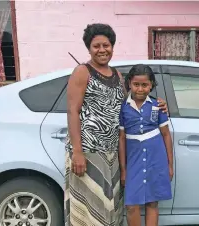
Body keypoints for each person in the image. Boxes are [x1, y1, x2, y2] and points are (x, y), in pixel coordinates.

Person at [64, 24, 168, 226]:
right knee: (89, 207)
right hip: (89, 151)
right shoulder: (82, 72)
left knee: (109, 207)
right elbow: (72, 111)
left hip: (112, 153)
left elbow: (134, 103)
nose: (102, 50)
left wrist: (159, 103)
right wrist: (77, 151)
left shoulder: (117, 75)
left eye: (106, 45)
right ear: (88, 48)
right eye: (96, 46)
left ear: (112, 46)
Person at [118, 64, 174, 226]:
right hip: (133, 159)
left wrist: (170, 165)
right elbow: (122, 138)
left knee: (152, 201)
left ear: (151, 85)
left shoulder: (157, 105)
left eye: (145, 85)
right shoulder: (123, 107)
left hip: (156, 158)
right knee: (131, 205)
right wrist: (123, 169)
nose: (140, 89)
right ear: (129, 84)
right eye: (136, 84)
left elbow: (165, 134)